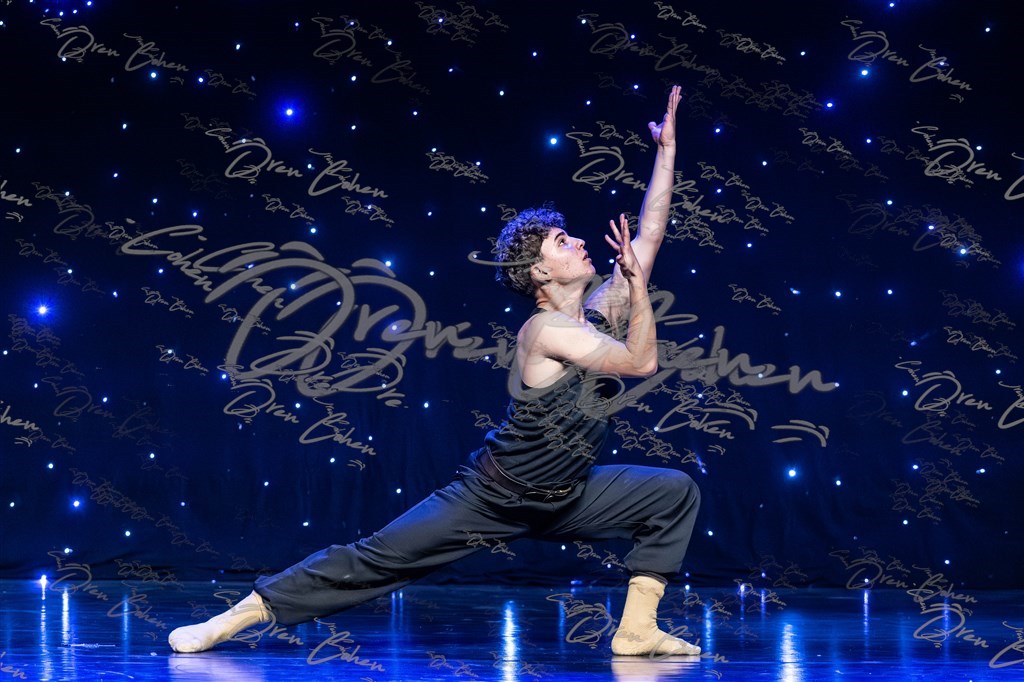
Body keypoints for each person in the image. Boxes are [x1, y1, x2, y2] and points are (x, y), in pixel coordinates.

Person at [168, 85, 701, 657]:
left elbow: (649, 234)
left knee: (673, 493)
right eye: (561, 241)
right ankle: (232, 619)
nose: (579, 242)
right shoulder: (544, 330)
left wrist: (666, 151)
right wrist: (637, 287)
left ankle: (636, 630)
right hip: (495, 495)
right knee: (375, 558)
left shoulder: (596, 315)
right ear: (540, 272)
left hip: (566, 494)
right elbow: (642, 361)